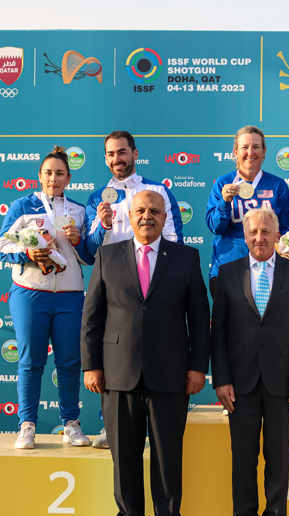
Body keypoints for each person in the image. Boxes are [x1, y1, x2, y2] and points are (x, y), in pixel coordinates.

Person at [80, 190, 210, 516]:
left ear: (166, 217)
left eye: (155, 211)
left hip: (171, 374)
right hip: (118, 373)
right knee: (123, 455)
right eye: (140, 210)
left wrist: (197, 368)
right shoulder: (107, 256)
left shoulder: (186, 258)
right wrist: (91, 365)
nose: (147, 216)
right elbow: (92, 318)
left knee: (168, 456)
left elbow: (200, 320)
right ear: (129, 215)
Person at [210, 207, 289, 516]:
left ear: (277, 234)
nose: (259, 237)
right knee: (242, 456)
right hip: (237, 384)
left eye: (265, 231)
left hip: (284, 383)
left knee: (277, 454)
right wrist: (221, 379)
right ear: (244, 236)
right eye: (253, 231)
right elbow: (219, 333)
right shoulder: (225, 274)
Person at [84, 130, 184, 449]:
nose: (118, 159)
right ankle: (108, 427)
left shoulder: (157, 190)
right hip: (116, 288)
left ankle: (156, 430)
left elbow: (175, 237)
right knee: (117, 353)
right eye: (112, 154)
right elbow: (88, 253)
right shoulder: (96, 197)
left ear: (135, 153)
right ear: (105, 158)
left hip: (155, 281)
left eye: (123, 152)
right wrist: (103, 225)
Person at [0, 146, 94, 449]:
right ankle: (27, 426)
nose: (54, 178)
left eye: (60, 173)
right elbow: (0, 246)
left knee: (69, 362)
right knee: (30, 361)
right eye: (48, 173)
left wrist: (78, 241)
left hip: (70, 296)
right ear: (39, 176)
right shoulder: (22, 206)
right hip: (29, 294)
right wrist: (27, 252)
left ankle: (71, 424)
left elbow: (89, 257)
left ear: (69, 178)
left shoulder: (79, 210)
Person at [205, 126, 289, 297]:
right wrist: (224, 202)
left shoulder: (277, 185)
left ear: (264, 151)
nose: (250, 152)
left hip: (268, 270)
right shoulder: (223, 184)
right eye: (244, 147)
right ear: (235, 152)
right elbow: (215, 228)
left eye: (256, 147)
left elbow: (284, 228)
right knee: (229, 323)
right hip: (229, 267)